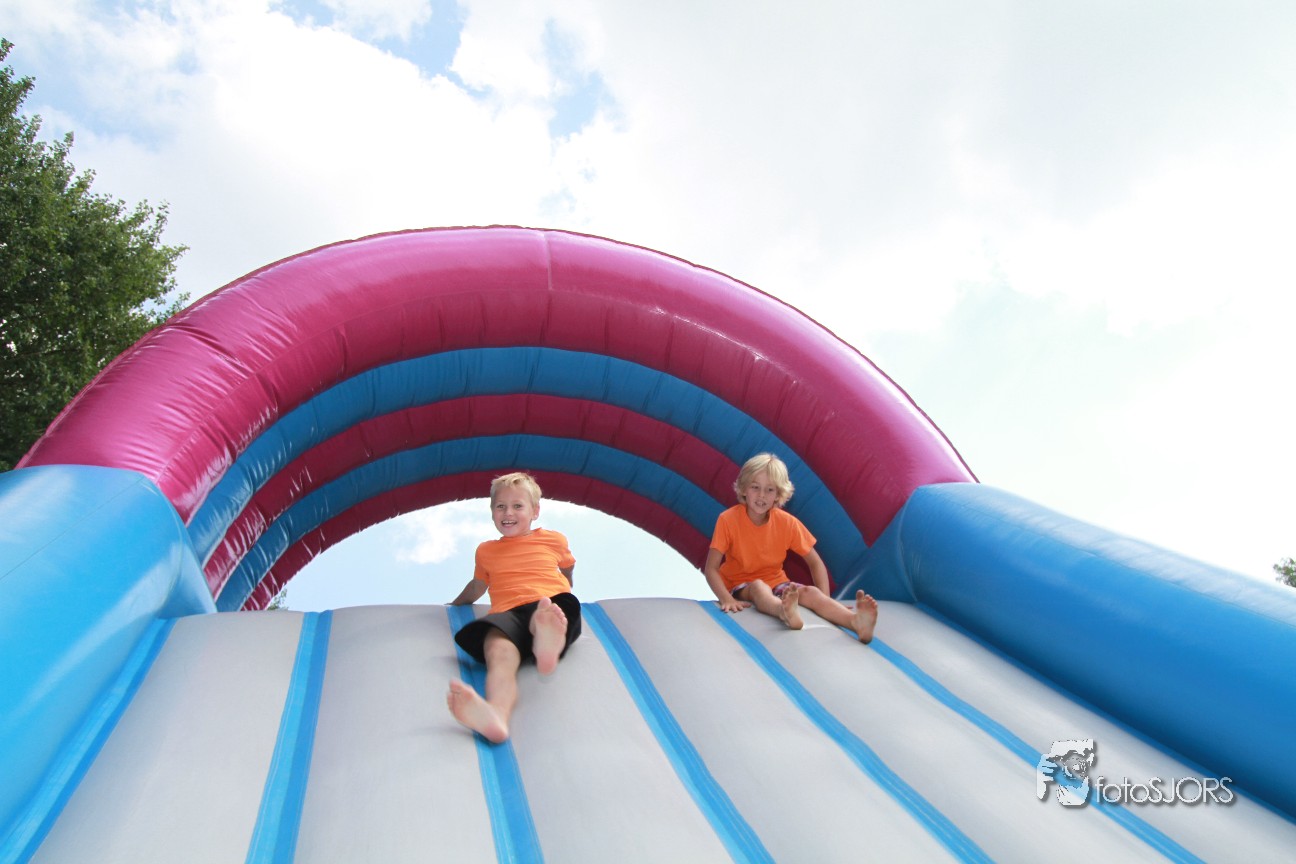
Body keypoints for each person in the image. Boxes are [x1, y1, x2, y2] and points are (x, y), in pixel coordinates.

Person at [446, 471, 582, 743]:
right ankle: (496, 714)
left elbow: (567, 566)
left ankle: (547, 642)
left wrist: (567, 585)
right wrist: (456, 603)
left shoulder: (554, 540)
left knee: (546, 613)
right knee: (498, 652)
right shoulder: (486, 550)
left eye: (517, 506)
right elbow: (478, 585)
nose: (508, 513)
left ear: (535, 511)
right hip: (508, 615)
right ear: (492, 512)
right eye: (500, 506)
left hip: (548, 603)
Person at [704, 453, 878, 643]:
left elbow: (815, 563)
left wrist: (826, 601)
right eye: (755, 487)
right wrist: (726, 599)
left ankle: (856, 622)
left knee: (811, 592)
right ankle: (783, 611)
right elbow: (711, 568)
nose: (762, 495)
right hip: (740, 584)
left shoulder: (787, 523)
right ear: (744, 489)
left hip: (777, 582)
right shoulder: (728, 520)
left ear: (778, 495)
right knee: (759, 587)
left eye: (769, 490)